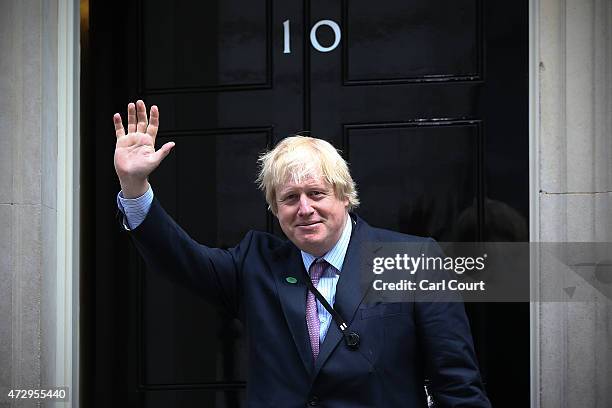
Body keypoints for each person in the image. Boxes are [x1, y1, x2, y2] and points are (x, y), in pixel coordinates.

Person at [114, 100, 491, 407]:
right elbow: (181, 260)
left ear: (345, 196)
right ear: (275, 210)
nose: (305, 208)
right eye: (290, 198)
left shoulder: (413, 260)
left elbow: (456, 384)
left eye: (317, 194)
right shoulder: (256, 264)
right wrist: (135, 186)